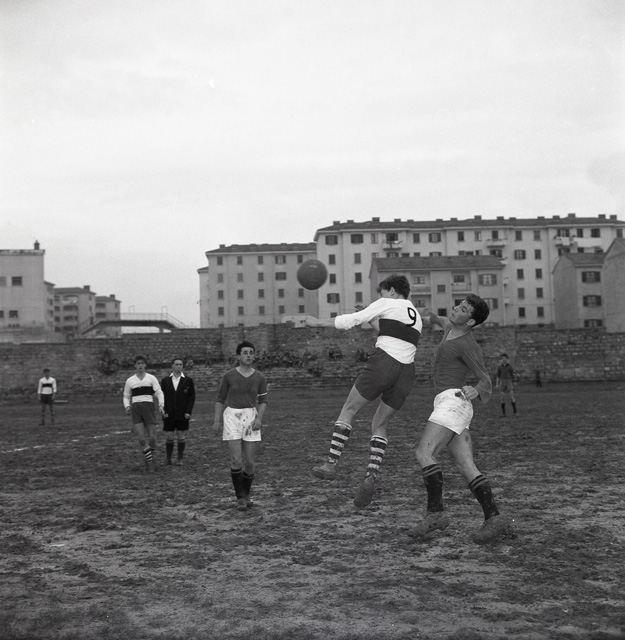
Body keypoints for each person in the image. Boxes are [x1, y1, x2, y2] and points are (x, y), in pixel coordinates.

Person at [305, 274, 422, 509]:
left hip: (384, 364)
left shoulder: (387, 302)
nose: (382, 296)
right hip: (407, 372)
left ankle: (331, 464)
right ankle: (371, 475)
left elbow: (351, 320)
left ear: (391, 291)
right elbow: (388, 333)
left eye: (383, 292)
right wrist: (371, 318)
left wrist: (316, 322)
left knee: (349, 409)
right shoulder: (415, 315)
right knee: (379, 424)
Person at [410, 295, 512, 544]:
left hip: (453, 403)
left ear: (471, 321)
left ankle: (436, 514)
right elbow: (433, 318)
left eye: (463, 309)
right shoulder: (449, 327)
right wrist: (405, 312)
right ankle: (494, 518)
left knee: (424, 453)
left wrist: (476, 389)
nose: (456, 308)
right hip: (449, 405)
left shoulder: (468, 344)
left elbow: (485, 379)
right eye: (458, 305)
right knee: (466, 465)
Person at [212, 341, 268, 511]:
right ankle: (240, 497)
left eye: (251, 352)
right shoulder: (229, 376)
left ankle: (247, 492)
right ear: (238, 356)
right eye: (245, 352)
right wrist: (217, 420)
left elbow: (263, 401)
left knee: (249, 462)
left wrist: (259, 419)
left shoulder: (260, 377)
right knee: (236, 459)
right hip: (232, 417)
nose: (248, 355)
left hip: (250, 417)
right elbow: (220, 399)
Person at [123, 355, 165, 471]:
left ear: (145, 365)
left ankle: (149, 457)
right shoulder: (130, 381)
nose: (140, 365)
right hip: (136, 409)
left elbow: (159, 392)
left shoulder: (151, 378)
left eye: (142, 363)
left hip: (149, 408)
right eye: (138, 363)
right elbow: (126, 396)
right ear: (135, 365)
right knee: (141, 438)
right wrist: (127, 406)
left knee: (152, 438)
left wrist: (161, 405)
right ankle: (150, 462)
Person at [161, 357, 196, 466]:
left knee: (181, 435)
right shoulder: (165, 381)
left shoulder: (188, 381)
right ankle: (168, 458)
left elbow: (191, 398)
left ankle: (180, 459)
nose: (178, 366)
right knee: (169, 436)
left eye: (180, 364)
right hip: (169, 413)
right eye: (176, 364)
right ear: (172, 366)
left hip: (182, 413)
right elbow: (161, 397)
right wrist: (163, 411)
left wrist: (188, 411)